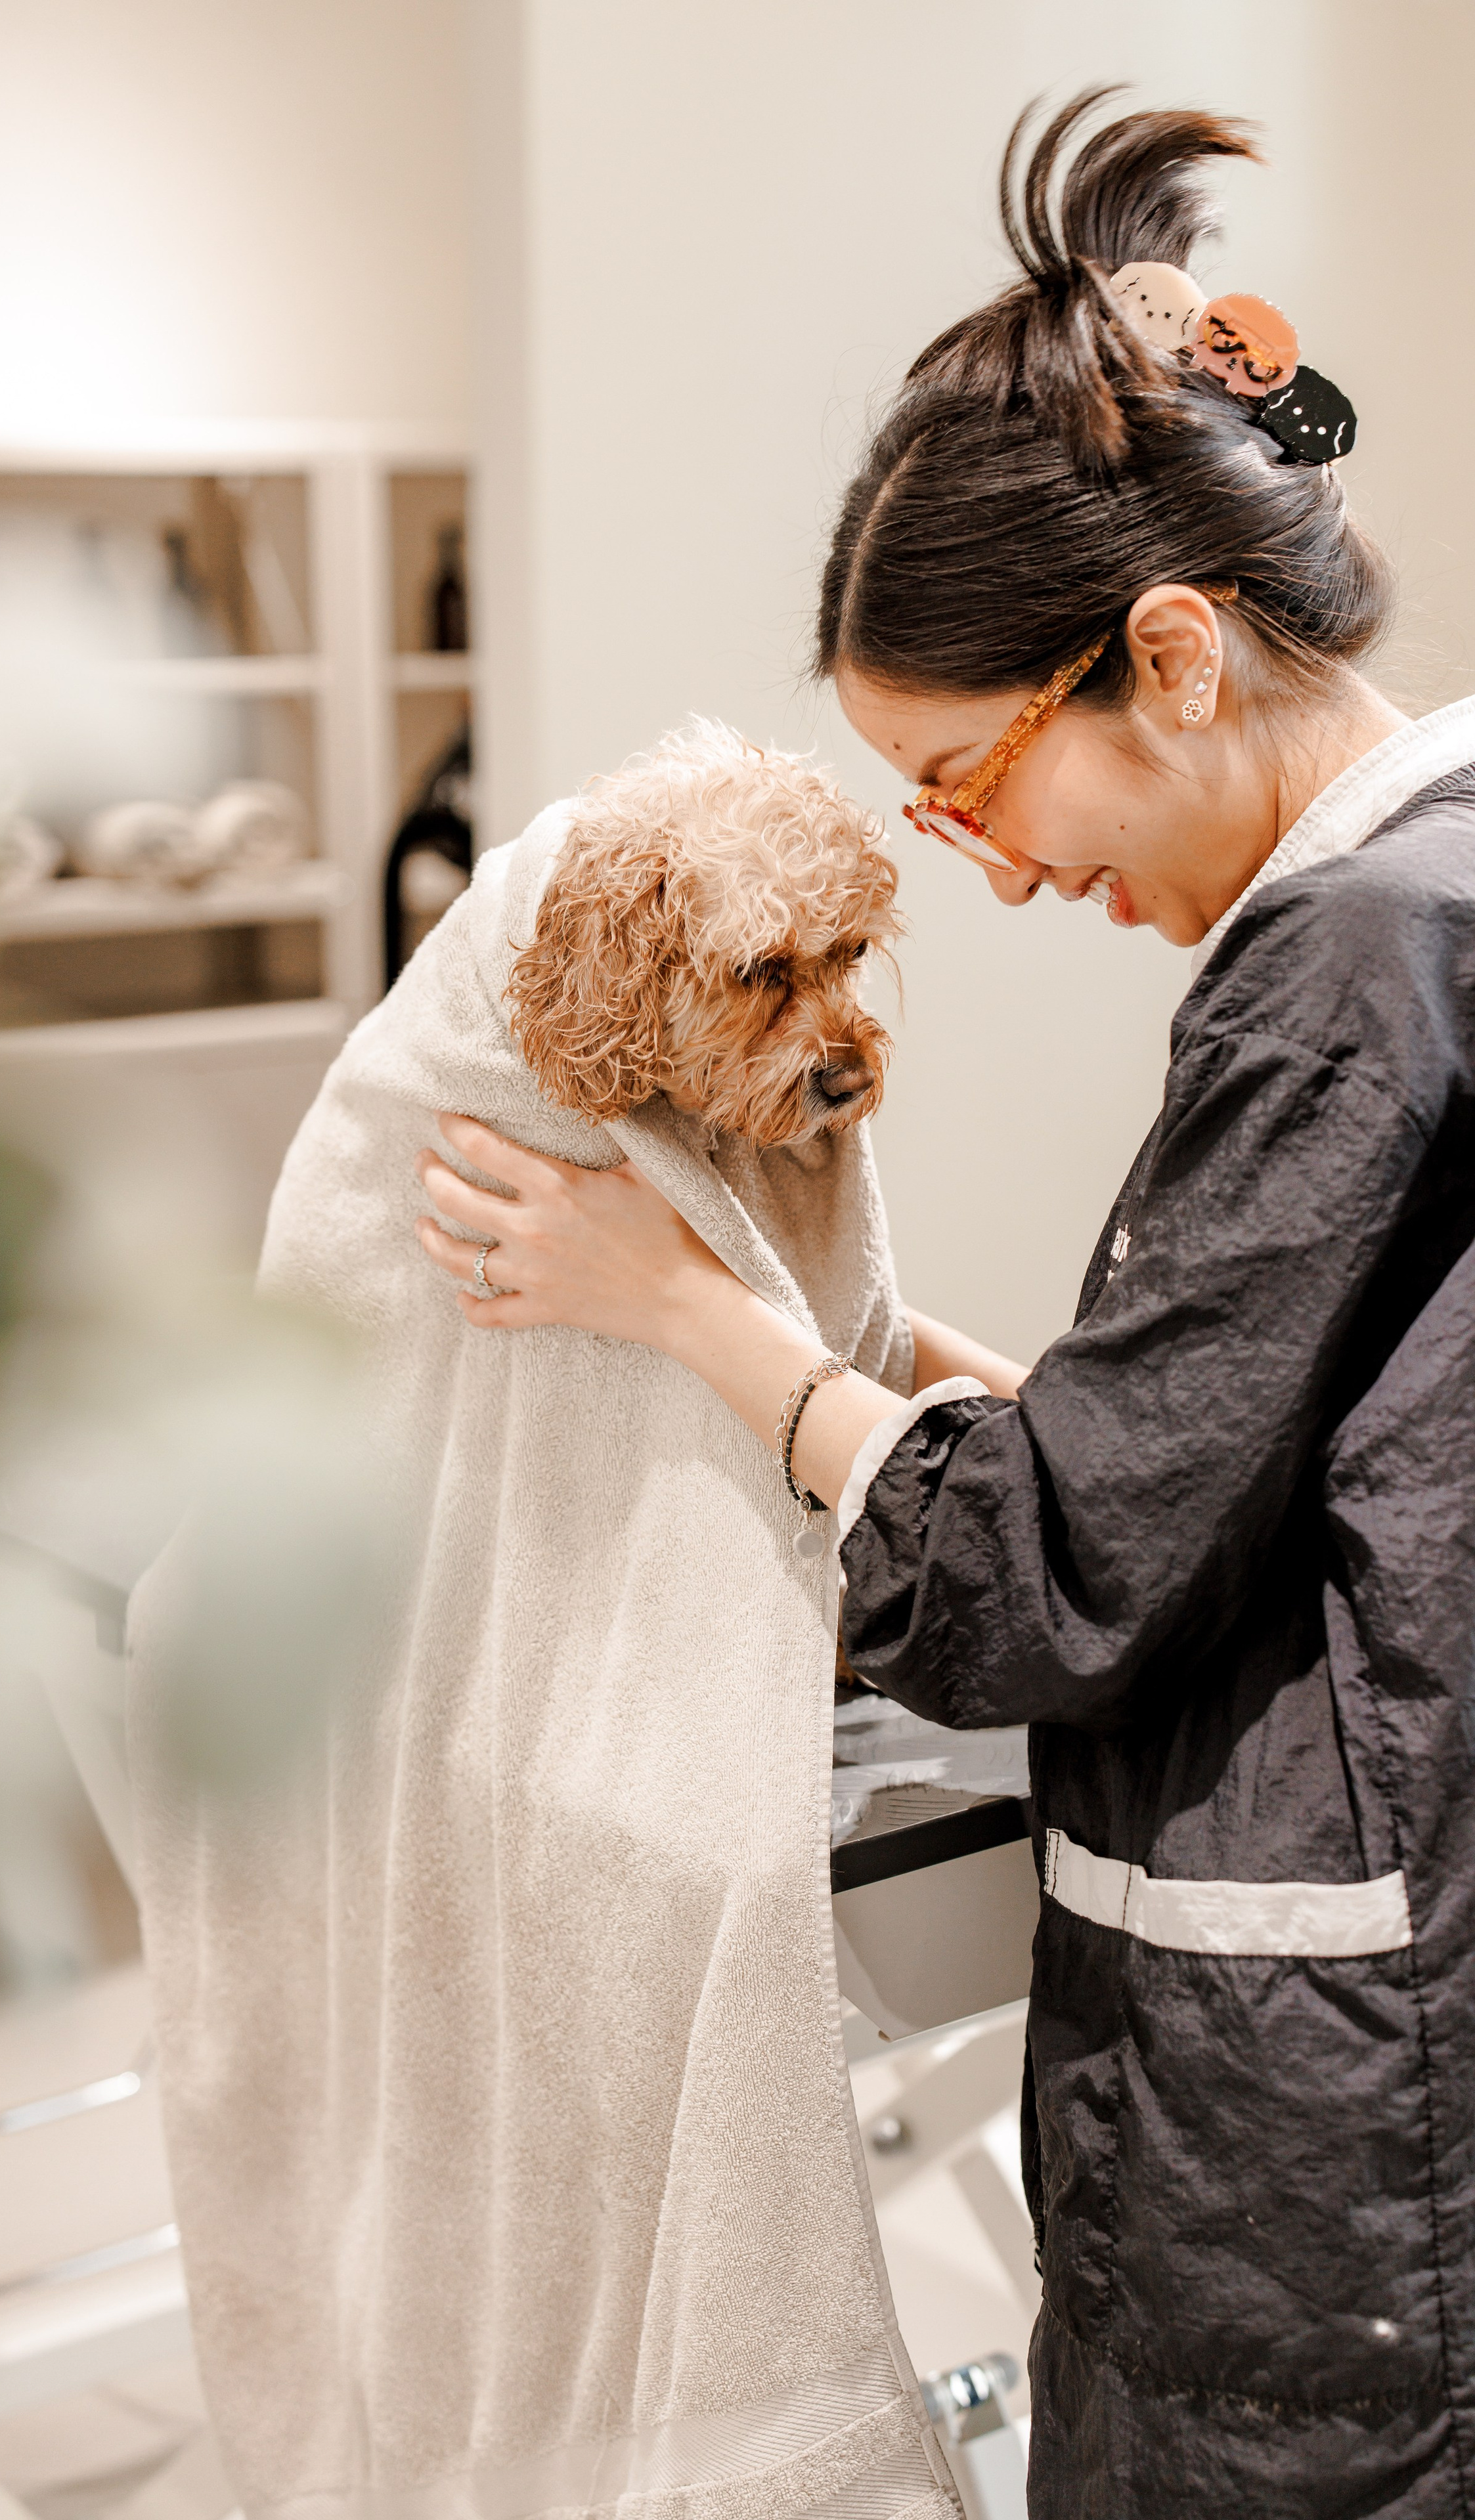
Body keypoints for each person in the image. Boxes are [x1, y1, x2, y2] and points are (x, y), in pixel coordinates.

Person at [413, 93, 1475, 2520]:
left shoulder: (1346, 966)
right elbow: (1322, 1437)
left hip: (1335, 2119)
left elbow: (1041, 1587)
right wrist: (988, 1389)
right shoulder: (1442, 893)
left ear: (1175, 656)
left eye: (968, 787)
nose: (986, 878)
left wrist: (692, 1317)